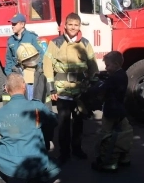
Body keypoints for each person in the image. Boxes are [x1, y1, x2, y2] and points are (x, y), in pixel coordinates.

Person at [43, 12, 99, 165]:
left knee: (79, 123)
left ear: (79, 26)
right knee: (63, 124)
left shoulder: (85, 43)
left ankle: (77, 149)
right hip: (62, 92)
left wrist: (94, 84)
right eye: (70, 25)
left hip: (80, 92)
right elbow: (47, 65)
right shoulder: (56, 43)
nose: (73, 28)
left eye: (76, 25)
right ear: (65, 26)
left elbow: (92, 64)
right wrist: (51, 88)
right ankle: (64, 153)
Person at [0, 73, 60, 183]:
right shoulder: (36, 107)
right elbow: (54, 121)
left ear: (7, 90)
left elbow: (0, 131)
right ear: (24, 86)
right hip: (31, 165)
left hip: (5, 162)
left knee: (6, 147)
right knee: (56, 167)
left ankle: (3, 182)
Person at [87, 51, 133, 172]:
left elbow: (101, 88)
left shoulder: (114, 78)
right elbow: (110, 80)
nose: (106, 68)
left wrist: (90, 88)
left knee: (106, 135)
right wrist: (102, 76)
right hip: (121, 110)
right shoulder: (122, 74)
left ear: (116, 64)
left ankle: (108, 163)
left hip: (111, 111)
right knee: (124, 132)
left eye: (108, 65)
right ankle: (124, 157)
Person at [16, 43, 54, 150]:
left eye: (33, 58)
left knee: (41, 143)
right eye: (28, 59)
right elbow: (8, 102)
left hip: (39, 117)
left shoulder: (41, 76)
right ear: (20, 62)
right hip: (23, 118)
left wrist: (49, 116)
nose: (32, 62)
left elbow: (47, 99)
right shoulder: (15, 78)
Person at [2, 13, 44, 104]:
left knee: (30, 100)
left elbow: (41, 54)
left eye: (14, 24)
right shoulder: (11, 40)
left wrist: (37, 72)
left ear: (22, 24)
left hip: (30, 76)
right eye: (12, 24)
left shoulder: (32, 37)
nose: (12, 26)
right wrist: (9, 76)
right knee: (18, 102)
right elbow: (8, 60)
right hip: (17, 76)